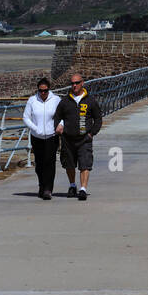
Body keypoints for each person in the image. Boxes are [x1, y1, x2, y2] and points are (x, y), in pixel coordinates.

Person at [56, 72, 101, 200]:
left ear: (82, 83)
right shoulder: (65, 101)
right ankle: (72, 185)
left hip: (84, 139)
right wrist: (59, 125)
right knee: (69, 164)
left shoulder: (90, 100)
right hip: (68, 138)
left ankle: (83, 189)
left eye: (77, 83)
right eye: (72, 83)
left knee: (85, 164)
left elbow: (98, 119)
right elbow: (57, 116)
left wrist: (92, 133)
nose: (74, 85)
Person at [22, 77, 61, 200]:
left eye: (45, 90)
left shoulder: (56, 100)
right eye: (40, 91)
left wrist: (61, 125)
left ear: (49, 89)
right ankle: (42, 184)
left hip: (51, 136)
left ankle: (48, 189)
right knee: (39, 163)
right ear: (38, 90)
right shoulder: (32, 100)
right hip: (37, 136)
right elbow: (26, 118)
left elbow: (63, 115)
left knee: (50, 162)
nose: (43, 93)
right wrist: (35, 128)